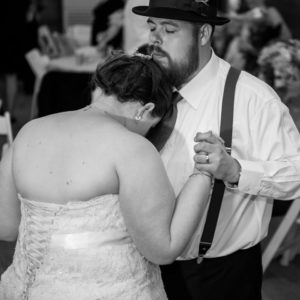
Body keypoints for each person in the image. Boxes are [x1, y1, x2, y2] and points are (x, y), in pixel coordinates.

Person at [0, 53, 212, 299]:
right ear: (145, 110)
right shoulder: (131, 148)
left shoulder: (28, 131)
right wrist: (202, 174)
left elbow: (5, 227)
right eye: (150, 127)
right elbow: (162, 249)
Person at [132, 0, 300, 299]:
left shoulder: (254, 99)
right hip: (143, 269)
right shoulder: (144, 88)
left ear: (204, 34)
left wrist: (236, 171)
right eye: (153, 28)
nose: (155, 39)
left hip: (218, 278)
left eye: (170, 30)